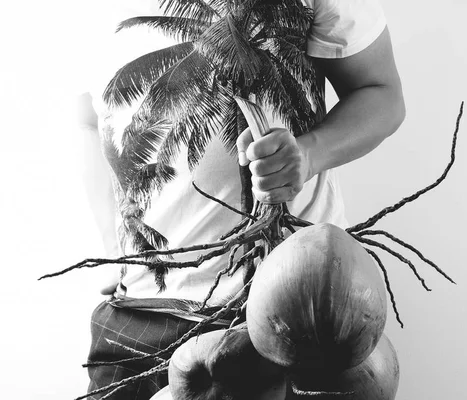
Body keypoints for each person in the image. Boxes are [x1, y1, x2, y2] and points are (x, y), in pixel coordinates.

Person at [77, 0, 405, 398]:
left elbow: (381, 93)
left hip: (287, 311)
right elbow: (90, 118)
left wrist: (308, 154)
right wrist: (112, 250)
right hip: (139, 311)